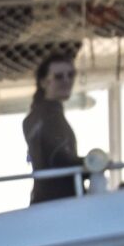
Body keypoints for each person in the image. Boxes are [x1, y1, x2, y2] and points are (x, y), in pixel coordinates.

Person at [24, 53, 82, 204]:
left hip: (45, 200)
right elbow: (58, 160)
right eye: (59, 76)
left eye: (71, 75)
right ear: (44, 82)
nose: (67, 80)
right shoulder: (49, 117)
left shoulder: (35, 117)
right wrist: (93, 163)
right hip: (59, 202)